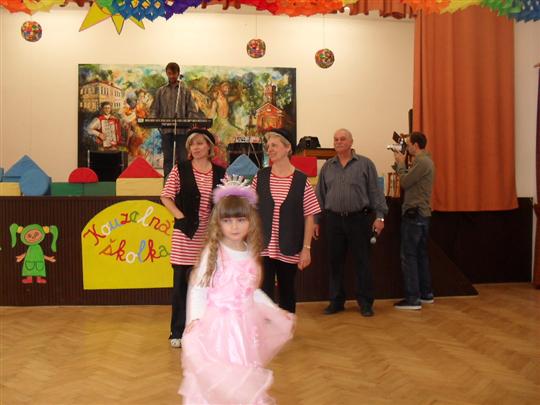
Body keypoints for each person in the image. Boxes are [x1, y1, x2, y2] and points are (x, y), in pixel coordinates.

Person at [179, 179, 295, 404]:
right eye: (227, 221)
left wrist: (274, 309)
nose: (234, 227)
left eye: (241, 220)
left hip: (244, 328)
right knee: (221, 376)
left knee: (244, 371)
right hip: (219, 328)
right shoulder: (214, 252)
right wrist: (195, 318)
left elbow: (251, 292)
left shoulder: (250, 251)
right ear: (218, 223)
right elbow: (198, 288)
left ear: (251, 221)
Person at [160, 128, 226, 348]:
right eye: (192, 144)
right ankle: (177, 331)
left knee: (206, 286)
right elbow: (166, 196)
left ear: (209, 147)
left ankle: (203, 330)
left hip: (209, 238)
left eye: (200, 143)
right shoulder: (180, 170)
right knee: (181, 286)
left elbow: (226, 202)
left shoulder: (220, 173)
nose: (196, 148)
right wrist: (180, 216)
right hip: (184, 236)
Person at [314, 128, 388, 317]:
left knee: (363, 262)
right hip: (333, 221)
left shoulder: (365, 164)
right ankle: (336, 301)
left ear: (351, 142)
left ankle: (365, 303)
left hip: (359, 220)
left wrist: (380, 217)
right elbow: (319, 196)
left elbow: (375, 192)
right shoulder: (327, 167)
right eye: (336, 139)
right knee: (335, 263)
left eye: (342, 139)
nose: (338, 142)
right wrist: (315, 220)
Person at [252, 129, 321, 313]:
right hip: (263, 246)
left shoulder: (301, 180)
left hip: (289, 246)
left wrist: (306, 249)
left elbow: (310, 215)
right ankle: (266, 325)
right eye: (268, 146)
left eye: (274, 145)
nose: (270, 149)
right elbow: (250, 210)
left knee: (287, 292)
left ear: (287, 148)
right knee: (263, 293)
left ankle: (286, 325)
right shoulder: (260, 176)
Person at [392, 131, 435, 310]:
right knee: (420, 256)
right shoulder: (424, 161)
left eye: (408, 144)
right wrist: (401, 165)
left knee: (408, 256)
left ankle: (412, 298)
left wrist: (401, 164)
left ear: (416, 145)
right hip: (421, 214)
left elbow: (405, 182)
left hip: (415, 214)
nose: (407, 147)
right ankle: (426, 294)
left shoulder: (422, 161)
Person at [151, 62, 198, 178]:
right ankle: (168, 182)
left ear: (178, 73)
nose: (171, 76)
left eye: (174, 74)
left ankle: (183, 182)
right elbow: (154, 110)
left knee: (183, 158)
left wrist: (189, 124)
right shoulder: (161, 91)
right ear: (166, 73)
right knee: (168, 158)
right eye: (169, 73)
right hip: (166, 131)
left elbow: (192, 110)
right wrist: (155, 122)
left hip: (182, 131)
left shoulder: (185, 90)